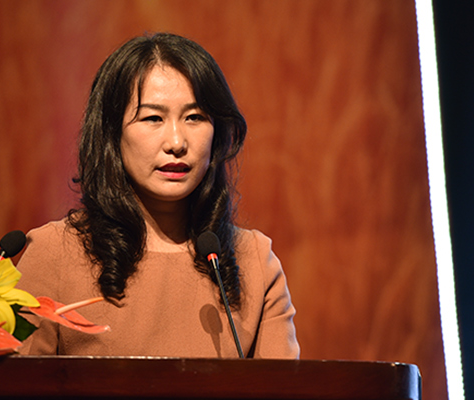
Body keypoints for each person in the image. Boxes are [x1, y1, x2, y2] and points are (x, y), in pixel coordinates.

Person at [15, 32, 299, 358]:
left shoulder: (254, 261)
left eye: (194, 118)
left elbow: (281, 383)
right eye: (153, 118)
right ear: (111, 134)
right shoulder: (54, 254)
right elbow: (12, 382)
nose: (176, 142)